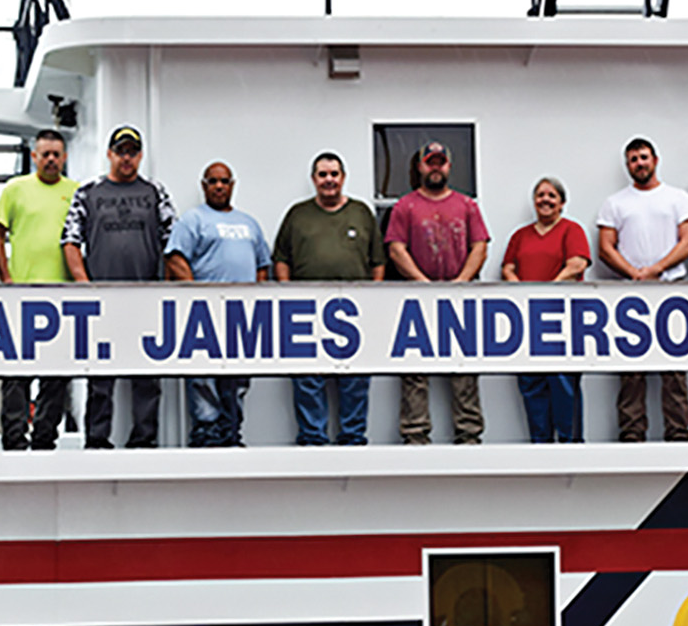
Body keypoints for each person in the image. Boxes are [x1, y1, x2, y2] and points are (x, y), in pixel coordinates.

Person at [62, 124, 176, 448]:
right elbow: (70, 241)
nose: (126, 157)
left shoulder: (155, 192)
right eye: (120, 151)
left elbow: (173, 242)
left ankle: (144, 439)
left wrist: (165, 286)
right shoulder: (88, 192)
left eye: (132, 151)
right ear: (109, 154)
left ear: (139, 156)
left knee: (148, 375)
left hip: (147, 298)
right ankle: (97, 439)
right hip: (103, 301)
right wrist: (86, 287)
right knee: (100, 376)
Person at [272, 152, 385, 445]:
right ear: (314, 180)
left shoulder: (361, 213)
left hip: (354, 312)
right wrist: (287, 293)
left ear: (343, 177)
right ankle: (313, 439)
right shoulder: (298, 214)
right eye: (323, 175)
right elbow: (281, 258)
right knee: (308, 377)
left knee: (355, 378)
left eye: (334, 174)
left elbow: (377, 261)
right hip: (306, 311)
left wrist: (374, 298)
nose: (329, 180)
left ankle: (353, 437)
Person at [386, 141, 490, 445]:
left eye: (440, 162)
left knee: (464, 366)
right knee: (416, 368)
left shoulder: (467, 205)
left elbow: (480, 246)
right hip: (417, 299)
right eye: (429, 162)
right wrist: (423, 283)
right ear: (420, 167)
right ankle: (415, 434)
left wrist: (461, 281)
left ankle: (469, 434)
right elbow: (396, 249)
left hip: (461, 299)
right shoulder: (405, 206)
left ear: (448, 166)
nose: (435, 167)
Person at [596, 137, 688, 442]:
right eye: (633, 160)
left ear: (655, 159)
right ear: (628, 166)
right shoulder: (615, 202)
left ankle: (678, 433)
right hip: (630, 293)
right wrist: (634, 274)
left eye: (643, 157)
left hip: (671, 290)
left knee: (674, 368)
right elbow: (605, 247)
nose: (639, 164)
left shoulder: (677, 198)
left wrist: (655, 269)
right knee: (631, 369)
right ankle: (631, 433)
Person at [166, 161, 272, 447]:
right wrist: (197, 293)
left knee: (237, 380)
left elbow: (263, 264)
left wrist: (255, 296)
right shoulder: (192, 220)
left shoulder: (249, 223)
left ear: (232, 185)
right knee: (203, 377)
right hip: (203, 316)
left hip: (242, 316)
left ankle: (231, 435)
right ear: (204, 185)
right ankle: (206, 436)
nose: (219, 186)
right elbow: (175, 258)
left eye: (224, 181)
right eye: (213, 181)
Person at [0, 129, 77, 450]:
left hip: (64, 298)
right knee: (16, 372)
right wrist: (6, 279)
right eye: (45, 154)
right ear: (34, 157)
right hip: (22, 297)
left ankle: (44, 437)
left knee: (56, 374)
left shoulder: (77, 191)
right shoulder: (15, 189)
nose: (51, 159)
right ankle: (14, 438)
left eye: (57, 154)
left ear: (64, 157)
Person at [501, 176, 590, 443]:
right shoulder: (521, 235)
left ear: (562, 203)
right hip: (527, 318)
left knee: (563, 381)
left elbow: (577, 265)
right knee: (531, 381)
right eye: (540, 195)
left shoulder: (571, 230)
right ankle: (540, 444)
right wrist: (522, 291)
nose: (545, 200)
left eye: (551, 195)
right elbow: (508, 267)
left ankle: (569, 443)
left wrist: (547, 289)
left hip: (561, 318)